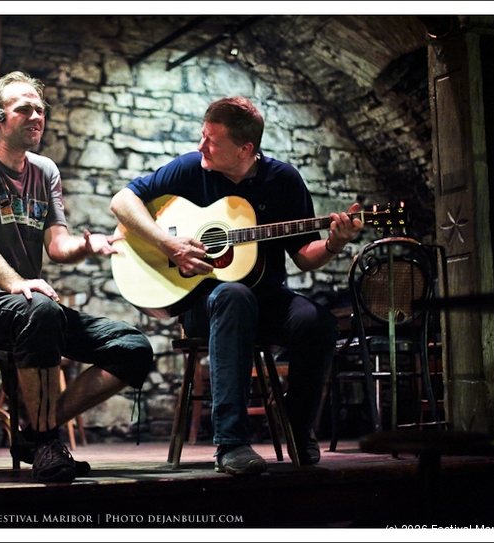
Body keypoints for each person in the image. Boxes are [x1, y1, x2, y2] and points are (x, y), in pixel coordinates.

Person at [110, 97, 363, 476]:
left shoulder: (283, 180)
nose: (201, 146)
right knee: (232, 294)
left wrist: (334, 243)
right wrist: (169, 244)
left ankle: (296, 423)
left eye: (211, 141)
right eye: (203, 135)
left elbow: (304, 255)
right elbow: (122, 200)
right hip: (205, 305)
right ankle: (231, 442)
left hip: (268, 299)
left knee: (319, 323)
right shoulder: (190, 169)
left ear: (245, 149)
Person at [0, 71, 153, 483]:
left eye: (40, 110)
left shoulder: (45, 170)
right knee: (42, 310)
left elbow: (57, 245)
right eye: (25, 109)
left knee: (132, 347)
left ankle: (34, 434)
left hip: (29, 308)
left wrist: (86, 246)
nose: (37, 116)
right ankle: (48, 441)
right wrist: (14, 281)